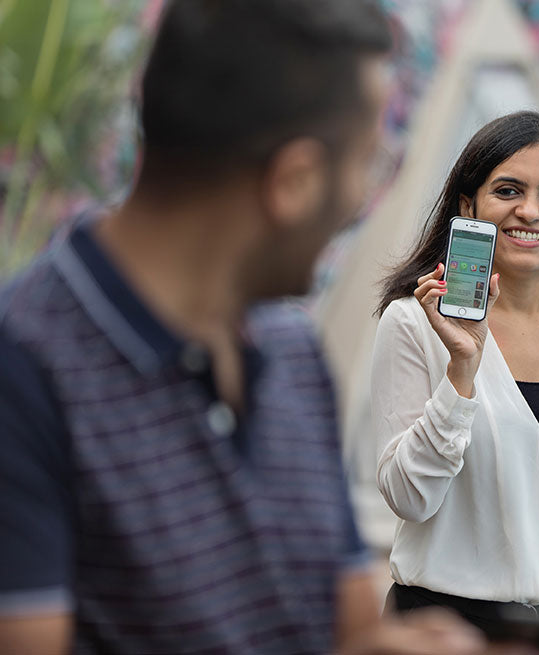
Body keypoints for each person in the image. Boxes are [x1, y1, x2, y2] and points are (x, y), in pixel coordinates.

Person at [0, 1, 484, 653]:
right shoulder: (24, 370)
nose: (361, 198)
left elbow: (347, 630)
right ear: (295, 181)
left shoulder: (291, 355)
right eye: (370, 161)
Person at [372, 111, 539, 632]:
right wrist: (462, 371)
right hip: (442, 631)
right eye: (508, 190)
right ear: (467, 205)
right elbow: (409, 497)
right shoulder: (413, 322)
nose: (530, 211)